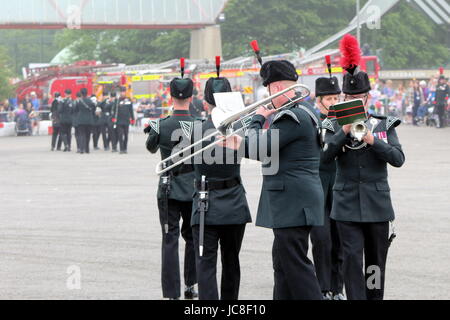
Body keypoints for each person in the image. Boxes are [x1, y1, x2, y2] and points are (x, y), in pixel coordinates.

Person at [222, 60, 324, 300]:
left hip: (292, 203)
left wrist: (257, 119)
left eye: (269, 90)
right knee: (283, 267)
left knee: (296, 268)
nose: (267, 97)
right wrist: (240, 143)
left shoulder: (292, 116)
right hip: (296, 201)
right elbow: (271, 146)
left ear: (276, 88)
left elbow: (261, 149)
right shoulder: (305, 111)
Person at [322, 34, 405, 300]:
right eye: (349, 96)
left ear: (368, 98)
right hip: (346, 205)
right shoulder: (332, 125)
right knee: (351, 260)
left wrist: (372, 140)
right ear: (343, 97)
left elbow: (398, 158)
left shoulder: (383, 125)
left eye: (359, 96)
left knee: (374, 264)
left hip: (377, 205)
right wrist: (343, 132)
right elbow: (323, 158)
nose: (355, 100)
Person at [191, 75, 252, 300]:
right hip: (234, 200)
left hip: (206, 203)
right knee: (231, 261)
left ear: (206, 102)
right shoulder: (241, 129)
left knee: (205, 264)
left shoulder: (196, 130)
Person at [144, 72, 198, 300]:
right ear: (191, 97)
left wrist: (153, 130)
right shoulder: (200, 124)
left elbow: (151, 148)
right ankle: (190, 285)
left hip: (168, 187)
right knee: (193, 239)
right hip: (194, 187)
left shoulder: (160, 124)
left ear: (170, 96)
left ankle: (171, 292)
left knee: (170, 239)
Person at [310, 65, 345, 300]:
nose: (333, 102)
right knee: (322, 240)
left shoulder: (347, 121)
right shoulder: (311, 120)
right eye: (329, 98)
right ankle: (323, 288)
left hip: (340, 186)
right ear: (319, 100)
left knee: (340, 239)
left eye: (336, 97)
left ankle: (338, 288)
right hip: (318, 185)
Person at [111, 87, 135, 154]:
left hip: (126, 120)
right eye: (121, 92)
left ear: (125, 92)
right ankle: (121, 149)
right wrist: (113, 118)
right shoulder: (117, 100)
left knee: (126, 136)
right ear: (120, 92)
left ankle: (125, 148)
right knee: (120, 135)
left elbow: (131, 110)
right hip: (119, 121)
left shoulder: (129, 100)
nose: (122, 93)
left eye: (123, 92)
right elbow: (114, 110)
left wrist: (132, 119)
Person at [74, 88, 95, 154]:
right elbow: (93, 109)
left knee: (81, 134)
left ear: (81, 93)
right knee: (88, 135)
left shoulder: (79, 101)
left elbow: (76, 109)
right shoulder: (90, 101)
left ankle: (81, 148)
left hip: (81, 120)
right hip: (89, 120)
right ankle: (87, 149)